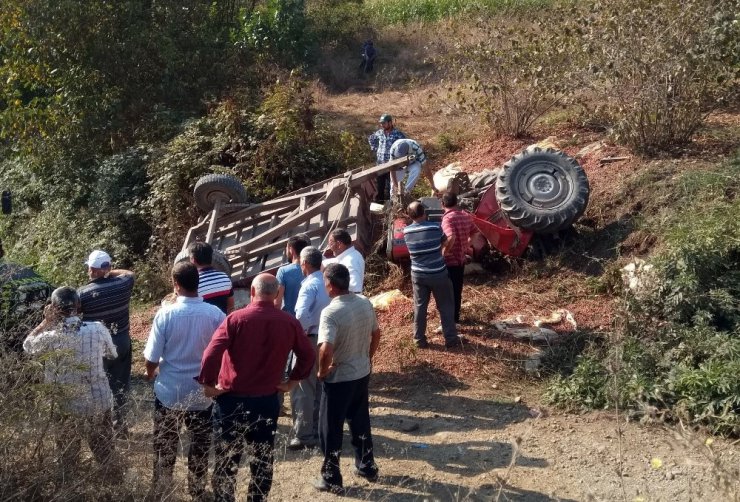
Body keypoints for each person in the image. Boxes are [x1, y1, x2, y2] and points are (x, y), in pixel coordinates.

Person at [198, 273, 316, 502]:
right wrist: (292, 382)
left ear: (252, 292)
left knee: (226, 458)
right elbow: (308, 354)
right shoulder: (289, 321)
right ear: (276, 294)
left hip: (231, 399)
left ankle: (225, 498)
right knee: (262, 457)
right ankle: (256, 498)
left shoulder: (235, 319)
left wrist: (208, 384)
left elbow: (211, 352)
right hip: (267, 400)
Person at [143, 262, 226, 499]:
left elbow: (152, 357)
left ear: (175, 284)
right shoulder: (215, 315)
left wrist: (150, 375)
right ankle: (197, 488)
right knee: (199, 443)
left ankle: (161, 485)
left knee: (165, 442)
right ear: (197, 283)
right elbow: (226, 350)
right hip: (202, 393)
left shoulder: (166, 314)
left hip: (169, 392)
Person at [24, 286, 121, 479]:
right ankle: (112, 486)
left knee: (68, 455)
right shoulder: (98, 328)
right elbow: (112, 354)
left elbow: (27, 346)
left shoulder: (50, 337)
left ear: (53, 308)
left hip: (66, 404)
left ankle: (71, 487)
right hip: (98, 400)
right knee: (104, 451)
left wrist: (45, 322)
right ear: (78, 305)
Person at [313, 263, 381, 493]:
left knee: (330, 428)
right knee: (360, 420)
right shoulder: (364, 302)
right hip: (361, 372)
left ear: (330, 286)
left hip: (339, 377)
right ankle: (367, 465)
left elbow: (325, 349)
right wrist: (367, 356)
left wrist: (322, 372)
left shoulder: (331, 312)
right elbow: (376, 332)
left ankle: (331, 477)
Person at [78, 249, 135, 435]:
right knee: (121, 384)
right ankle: (120, 426)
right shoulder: (123, 284)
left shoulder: (83, 294)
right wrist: (109, 271)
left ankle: (100, 427)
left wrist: (104, 271)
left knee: (97, 386)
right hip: (122, 341)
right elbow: (129, 273)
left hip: (97, 346)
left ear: (91, 270)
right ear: (108, 267)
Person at [403, 201, 463, 349]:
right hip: (438, 273)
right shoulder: (435, 227)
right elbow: (445, 242)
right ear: (424, 213)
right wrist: (443, 251)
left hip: (418, 275)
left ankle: (419, 339)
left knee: (420, 307)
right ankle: (450, 339)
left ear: (409, 215)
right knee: (445, 306)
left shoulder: (406, 232)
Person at [288, 246, 331, 450]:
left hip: (311, 337)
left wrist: (301, 334)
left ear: (304, 263)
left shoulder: (309, 285)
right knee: (321, 384)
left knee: (303, 387)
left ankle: (304, 434)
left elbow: (301, 314)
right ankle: (318, 426)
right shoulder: (326, 281)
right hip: (327, 339)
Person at [441, 192, 476, 325]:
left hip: (450, 261)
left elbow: (450, 237)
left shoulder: (447, 219)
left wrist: (444, 252)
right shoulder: (466, 216)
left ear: (442, 204)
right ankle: (456, 318)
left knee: (447, 293)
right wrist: (467, 244)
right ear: (456, 202)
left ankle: (449, 321)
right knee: (457, 290)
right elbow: (475, 232)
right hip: (461, 259)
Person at [188, 241, 234, 314]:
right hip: (223, 323)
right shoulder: (225, 278)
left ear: (193, 260)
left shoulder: (192, 285)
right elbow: (230, 307)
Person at [368, 114, 406, 202]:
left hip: (391, 166)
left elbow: (404, 145)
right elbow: (371, 138)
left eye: (384, 123)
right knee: (379, 187)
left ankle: (391, 206)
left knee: (390, 187)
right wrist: (375, 148)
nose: (382, 125)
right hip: (380, 165)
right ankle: (379, 205)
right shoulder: (379, 133)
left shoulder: (397, 134)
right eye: (381, 123)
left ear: (390, 123)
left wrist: (399, 156)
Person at [274, 234, 311, 316]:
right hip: (313, 320)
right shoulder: (316, 268)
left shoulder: (283, 271)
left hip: (291, 320)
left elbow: (277, 303)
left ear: (291, 250)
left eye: (287, 248)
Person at [323, 228, 365, 294]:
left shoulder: (350, 263)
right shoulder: (353, 254)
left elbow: (356, 289)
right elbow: (337, 260)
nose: (329, 247)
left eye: (330, 243)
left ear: (339, 244)